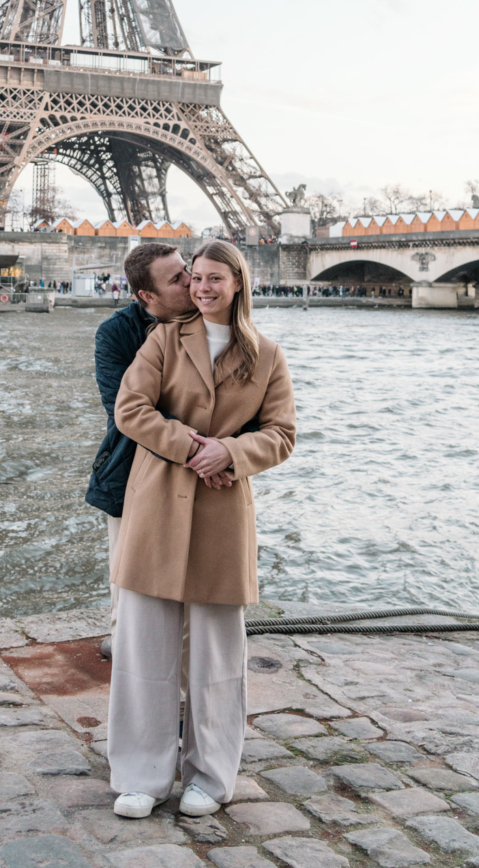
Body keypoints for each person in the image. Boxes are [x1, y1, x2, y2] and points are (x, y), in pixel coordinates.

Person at [107, 239, 296, 819]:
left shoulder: (266, 354)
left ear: (238, 283)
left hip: (220, 509)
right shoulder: (164, 339)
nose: (203, 288)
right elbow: (130, 409)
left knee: (217, 655)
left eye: (216, 278)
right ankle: (142, 774)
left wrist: (233, 453)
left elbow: (282, 433)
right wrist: (193, 447)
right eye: (196, 278)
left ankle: (211, 776)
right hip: (159, 503)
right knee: (144, 647)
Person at [85, 243, 197, 653]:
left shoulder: (211, 318)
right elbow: (123, 411)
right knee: (127, 574)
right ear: (147, 296)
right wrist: (200, 448)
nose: (191, 280)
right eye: (178, 278)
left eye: (187, 270)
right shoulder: (115, 332)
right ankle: (125, 645)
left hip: (194, 466)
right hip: (132, 467)